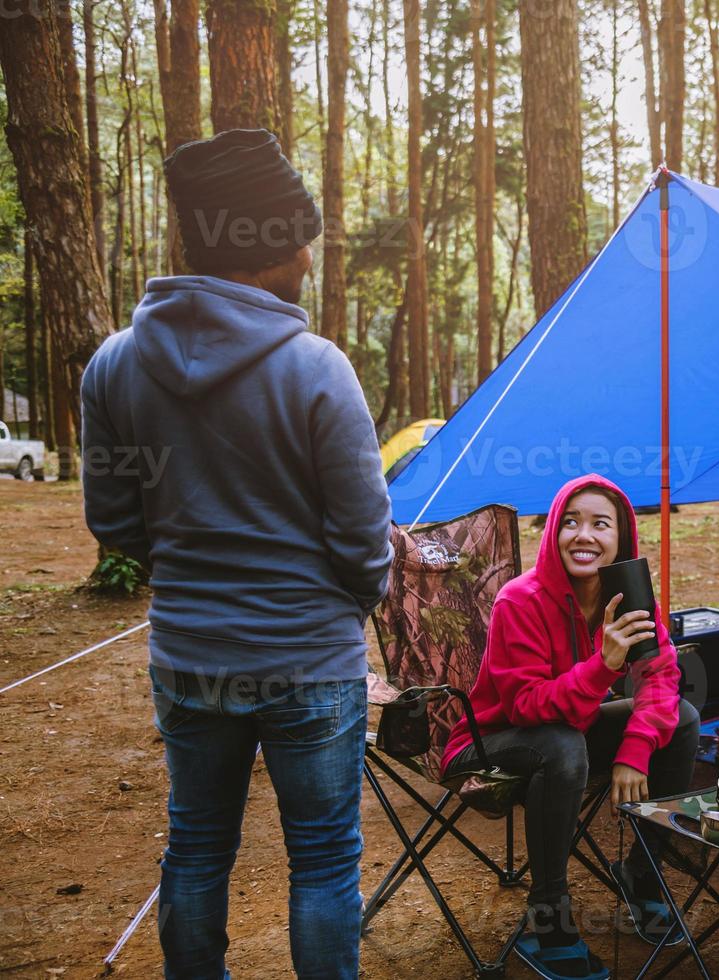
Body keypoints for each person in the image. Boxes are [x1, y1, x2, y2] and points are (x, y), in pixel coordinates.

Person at [80, 129, 391, 980]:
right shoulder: (317, 370)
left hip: (190, 656)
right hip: (310, 664)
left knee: (196, 846)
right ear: (263, 245)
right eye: (301, 241)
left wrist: (190, 573)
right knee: (324, 861)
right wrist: (343, 601)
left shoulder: (113, 367)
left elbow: (115, 524)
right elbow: (364, 541)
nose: (307, 261)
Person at [444, 474, 701, 980]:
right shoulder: (520, 601)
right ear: (553, 533)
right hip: (487, 742)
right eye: (570, 522)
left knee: (684, 720)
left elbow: (661, 677)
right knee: (561, 744)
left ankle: (642, 877)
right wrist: (603, 667)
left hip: (566, 729)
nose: (583, 535)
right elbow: (524, 706)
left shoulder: (629, 596)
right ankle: (549, 920)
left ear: (620, 539)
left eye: (600, 524)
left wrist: (634, 750)